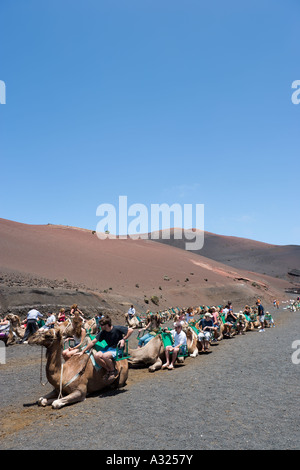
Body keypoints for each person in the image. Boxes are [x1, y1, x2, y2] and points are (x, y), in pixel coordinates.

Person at [76, 315, 133, 381]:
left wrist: (123, 339)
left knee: (105, 356)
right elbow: (93, 342)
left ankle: (113, 371)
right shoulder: (103, 332)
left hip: (117, 349)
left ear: (106, 325)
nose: (100, 326)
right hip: (108, 348)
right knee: (96, 356)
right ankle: (108, 369)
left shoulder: (117, 328)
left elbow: (131, 330)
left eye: (101, 325)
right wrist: (83, 351)